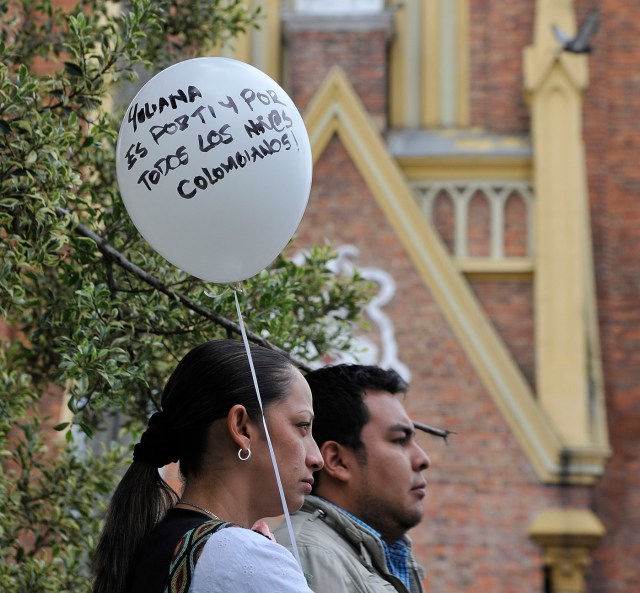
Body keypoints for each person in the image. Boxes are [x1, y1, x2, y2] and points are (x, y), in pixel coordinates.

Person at [91, 339, 323, 593]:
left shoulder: (151, 546)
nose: (316, 458)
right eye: (302, 426)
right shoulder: (243, 556)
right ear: (242, 428)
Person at [274, 364, 432, 593]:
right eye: (399, 440)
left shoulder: (378, 558)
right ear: (337, 461)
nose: (423, 459)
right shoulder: (310, 555)